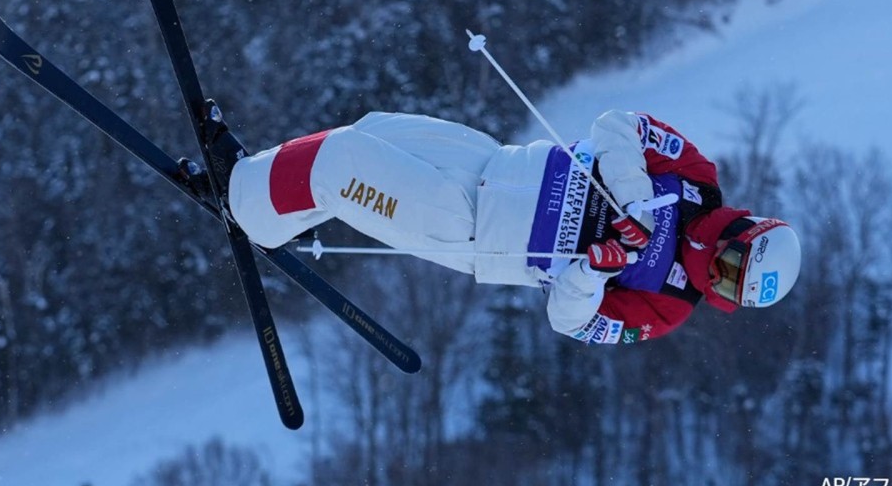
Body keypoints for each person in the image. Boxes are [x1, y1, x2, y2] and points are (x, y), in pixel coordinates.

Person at [224, 109, 802, 345]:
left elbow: (572, 323)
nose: (717, 281)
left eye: (728, 291)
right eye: (731, 268)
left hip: (473, 230)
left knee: (341, 164)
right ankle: (266, 198)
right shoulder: (695, 179)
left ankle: (240, 199)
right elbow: (617, 125)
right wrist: (632, 199)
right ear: (742, 232)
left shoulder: (670, 303)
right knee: (367, 131)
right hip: (490, 160)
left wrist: (591, 269)